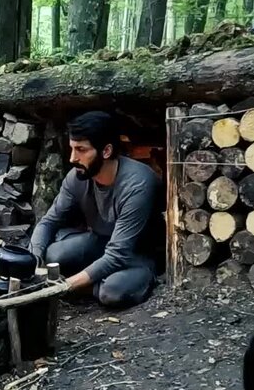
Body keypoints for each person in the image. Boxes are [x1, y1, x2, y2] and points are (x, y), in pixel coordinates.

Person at [29, 111, 160, 308]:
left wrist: (64, 286)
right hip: (100, 243)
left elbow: (118, 254)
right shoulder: (77, 177)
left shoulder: (138, 184)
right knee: (54, 255)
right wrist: (34, 261)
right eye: (72, 148)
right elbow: (49, 222)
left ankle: (91, 286)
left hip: (136, 254)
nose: (73, 158)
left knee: (112, 291)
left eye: (81, 150)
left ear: (106, 151)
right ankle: (90, 281)